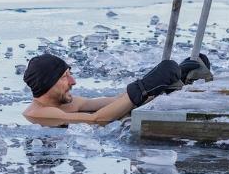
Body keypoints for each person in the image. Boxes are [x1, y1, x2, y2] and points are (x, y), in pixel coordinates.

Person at [22, 53, 211, 126]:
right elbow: (98, 119)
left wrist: (158, 88)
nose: (73, 81)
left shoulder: (70, 103)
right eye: (65, 77)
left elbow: (115, 102)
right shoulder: (43, 113)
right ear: (48, 83)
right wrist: (141, 89)